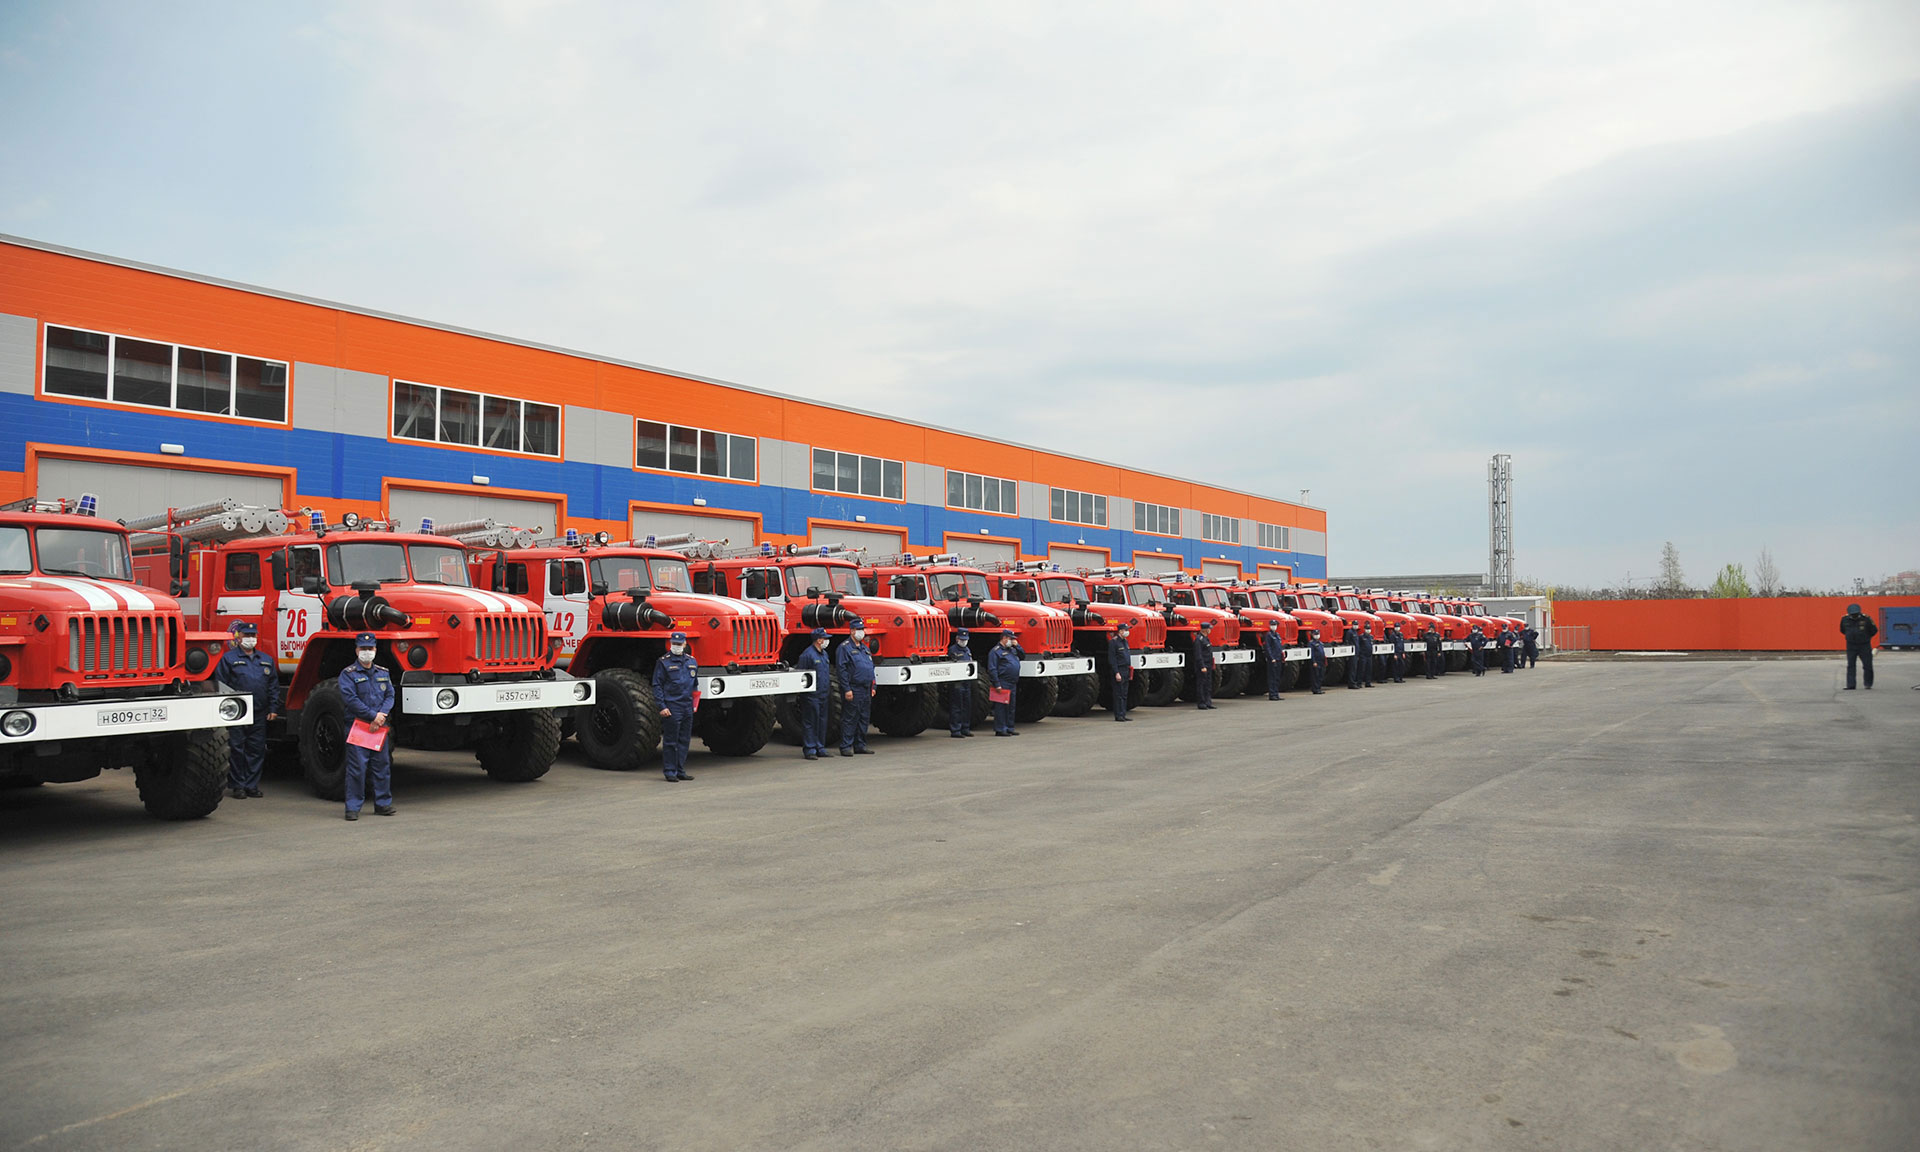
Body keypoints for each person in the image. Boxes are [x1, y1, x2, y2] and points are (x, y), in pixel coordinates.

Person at [215, 620, 279, 799]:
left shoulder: (266, 660)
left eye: (253, 635)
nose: (250, 638)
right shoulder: (229, 659)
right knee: (236, 749)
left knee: (256, 750)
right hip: (237, 713)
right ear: (239, 637)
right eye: (247, 635)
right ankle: (238, 786)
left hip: (259, 712)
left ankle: (252, 785)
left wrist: (273, 708)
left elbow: (273, 686)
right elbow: (220, 684)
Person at [338, 632, 394, 821]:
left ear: (376, 650)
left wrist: (381, 715)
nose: (367, 652)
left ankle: (383, 804)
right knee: (357, 769)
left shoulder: (383, 673)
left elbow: (390, 695)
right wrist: (373, 716)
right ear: (356, 650)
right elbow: (351, 700)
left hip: (378, 728)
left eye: (370, 649)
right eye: (363, 648)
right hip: (359, 727)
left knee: (382, 767)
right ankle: (353, 808)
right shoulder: (348, 674)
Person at [653, 630, 698, 781]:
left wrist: (694, 705)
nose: (676, 646)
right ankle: (670, 771)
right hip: (672, 706)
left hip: (687, 706)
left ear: (685, 644)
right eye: (674, 643)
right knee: (671, 741)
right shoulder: (663, 662)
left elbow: (694, 685)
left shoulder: (692, 662)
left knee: (684, 740)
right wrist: (662, 706)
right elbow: (657, 685)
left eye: (679, 644)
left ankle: (680, 770)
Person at [836, 623, 876, 754]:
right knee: (850, 718)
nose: (861, 632)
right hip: (854, 688)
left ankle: (860, 745)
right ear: (852, 631)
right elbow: (842, 670)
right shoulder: (844, 648)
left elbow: (871, 668)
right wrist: (847, 689)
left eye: (862, 629)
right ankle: (846, 746)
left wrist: (873, 686)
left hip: (866, 688)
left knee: (864, 718)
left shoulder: (865, 648)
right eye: (859, 629)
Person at [795, 628, 833, 759]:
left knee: (822, 722)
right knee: (811, 722)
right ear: (819, 640)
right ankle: (810, 749)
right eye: (825, 638)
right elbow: (801, 675)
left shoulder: (824, 654)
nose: (827, 641)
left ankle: (820, 747)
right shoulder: (807, 655)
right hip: (812, 695)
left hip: (823, 694)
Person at [988, 629, 1023, 735]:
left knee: (1011, 706)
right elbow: (992, 668)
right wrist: (997, 683)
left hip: (1012, 682)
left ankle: (1009, 727)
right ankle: (1000, 729)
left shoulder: (1012, 650)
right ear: (1004, 638)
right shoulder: (995, 651)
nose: (1012, 641)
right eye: (1011, 639)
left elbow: (1022, 656)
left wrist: (1018, 646)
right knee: (1001, 707)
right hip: (1003, 681)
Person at [1841, 603, 1878, 690]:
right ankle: (1851, 685)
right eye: (1852, 614)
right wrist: (1850, 637)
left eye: (1855, 614)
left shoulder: (1866, 619)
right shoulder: (1845, 619)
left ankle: (1868, 683)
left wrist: (1865, 637)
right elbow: (1842, 630)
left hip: (1864, 645)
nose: (1854, 616)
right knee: (1851, 665)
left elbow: (1874, 630)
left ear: (1859, 613)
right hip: (1851, 645)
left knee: (1867, 665)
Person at [946, 627, 974, 737]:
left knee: (967, 706)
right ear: (957, 638)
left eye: (965, 639)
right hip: (957, 682)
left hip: (967, 681)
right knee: (957, 706)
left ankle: (965, 728)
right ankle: (955, 730)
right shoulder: (953, 650)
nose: (963, 641)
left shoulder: (967, 650)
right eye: (962, 639)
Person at [1108, 621, 1134, 721]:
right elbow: (1112, 659)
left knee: (1124, 694)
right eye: (1125, 630)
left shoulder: (1125, 641)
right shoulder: (1114, 642)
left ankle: (1123, 714)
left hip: (1126, 670)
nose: (1127, 632)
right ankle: (1118, 715)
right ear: (1120, 631)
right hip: (1119, 670)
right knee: (1118, 694)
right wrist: (1116, 673)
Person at [1192, 621, 1217, 709]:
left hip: (1208, 665)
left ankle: (1208, 702)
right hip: (1203, 666)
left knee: (1208, 685)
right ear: (1205, 630)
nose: (1210, 630)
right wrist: (1202, 666)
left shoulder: (1206, 639)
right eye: (1209, 629)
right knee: (1201, 685)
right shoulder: (1199, 640)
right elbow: (1198, 655)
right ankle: (1201, 703)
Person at [1261, 620, 1286, 700]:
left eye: (1275, 625)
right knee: (1272, 677)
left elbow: (1279, 647)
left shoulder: (1277, 635)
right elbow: (1268, 648)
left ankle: (1276, 694)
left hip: (1278, 658)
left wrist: (1282, 657)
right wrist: (1272, 658)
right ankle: (1272, 694)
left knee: (1277, 677)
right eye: (1272, 625)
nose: (1274, 626)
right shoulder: (1269, 635)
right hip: (1273, 659)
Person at [1308, 630, 1326, 694]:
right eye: (1315, 634)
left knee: (1321, 676)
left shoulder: (1320, 643)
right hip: (1316, 661)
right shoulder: (1311, 643)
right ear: (1312, 635)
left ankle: (1319, 688)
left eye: (1317, 634)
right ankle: (1315, 689)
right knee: (1315, 676)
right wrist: (1314, 662)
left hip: (1321, 661)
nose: (1317, 635)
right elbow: (1312, 654)